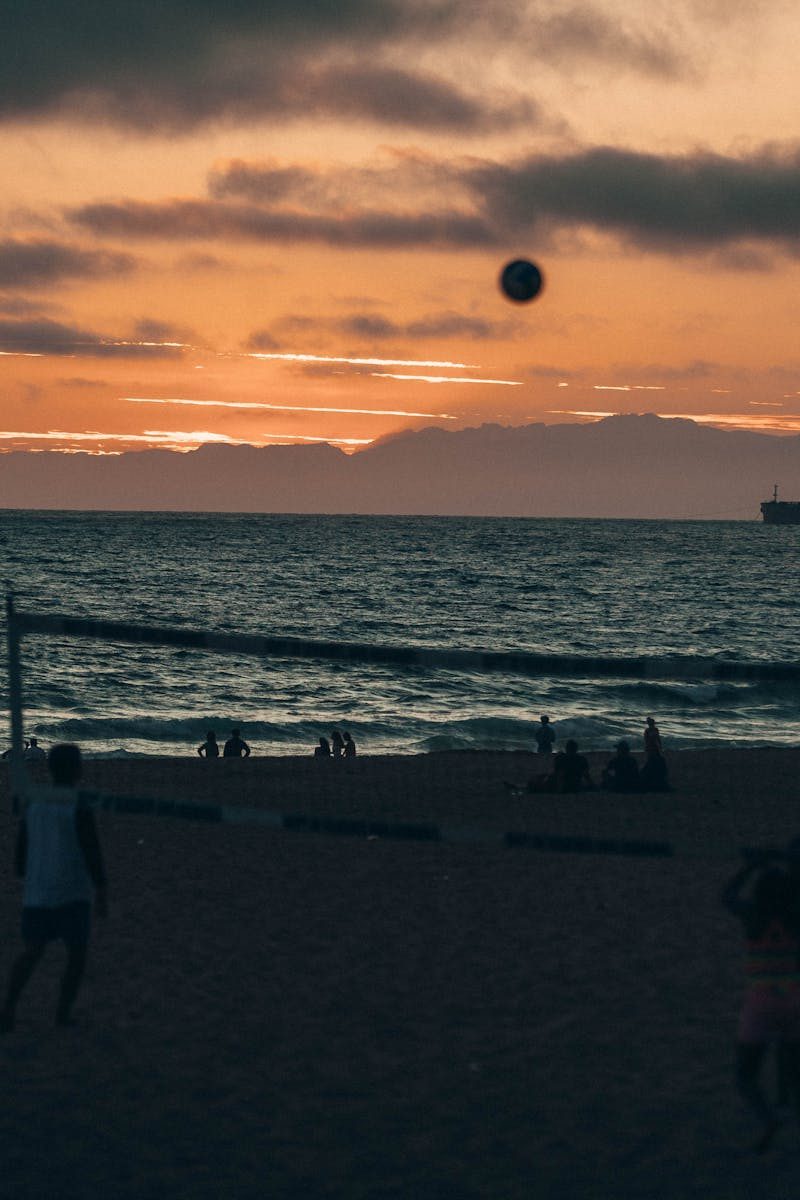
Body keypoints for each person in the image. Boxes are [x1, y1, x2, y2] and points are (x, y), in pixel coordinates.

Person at [0, 743, 107, 1032]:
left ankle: (8, 1008)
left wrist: (24, 871)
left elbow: (22, 847)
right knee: (76, 955)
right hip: (73, 893)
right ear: (77, 769)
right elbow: (91, 849)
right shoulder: (78, 804)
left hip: (39, 893)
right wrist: (102, 888)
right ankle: (61, 1015)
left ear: (49, 768)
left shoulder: (34, 801)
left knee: (32, 952)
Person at [722, 854, 800, 1153]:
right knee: (795, 1071)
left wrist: (750, 866)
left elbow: (727, 896)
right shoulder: (795, 917)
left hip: (761, 1003)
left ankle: (767, 1120)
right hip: (794, 999)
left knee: (745, 1076)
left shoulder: (753, 916)